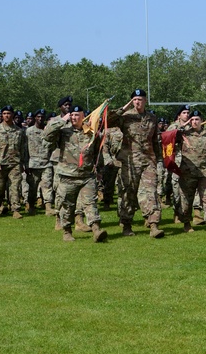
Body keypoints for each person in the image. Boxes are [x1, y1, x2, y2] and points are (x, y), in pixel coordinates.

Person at [44, 104, 107, 242]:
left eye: (77, 115)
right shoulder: (63, 131)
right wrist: (61, 120)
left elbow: (97, 153)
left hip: (87, 176)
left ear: (83, 116)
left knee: (91, 203)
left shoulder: (91, 132)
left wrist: (99, 171)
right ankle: (67, 231)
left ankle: (96, 230)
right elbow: (47, 135)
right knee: (67, 205)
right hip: (68, 176)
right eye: (72, 115)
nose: (73, 117)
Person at [110, 89, 165, 238]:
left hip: (148, 161)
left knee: (151, 192)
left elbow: (155, 141)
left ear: (145, 100)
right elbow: (108, 121)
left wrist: (159, 160)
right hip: (130, 162)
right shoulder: (126, 117)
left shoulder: (152, 118)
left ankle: (153, 225)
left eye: (140, 99)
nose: (137, 102)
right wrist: (124, 108)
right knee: (128, 194)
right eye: (134, 99)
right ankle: (127, 225)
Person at [176, 109, 206, 233]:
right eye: (192, 120)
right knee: (186, 199)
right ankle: (187, 223)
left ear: (201, 121)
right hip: (188, 172)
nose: (194, 122)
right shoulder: (184, 134)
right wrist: (182, 125)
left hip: (204, 171)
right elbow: (169, 134)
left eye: (197, 119)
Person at [0, 105, 29, 219]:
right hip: (1, 163)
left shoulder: (19, 131)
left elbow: (23, 149)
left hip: (15, 163)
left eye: (9, 113)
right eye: (4, 114)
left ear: (13, 115)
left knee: (15, 187)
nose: (6, 116)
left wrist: (24, 164)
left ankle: (15, 209)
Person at [24, 109, 53, 216]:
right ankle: (31, 206)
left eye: (42, 117)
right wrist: (26, 165)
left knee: (47, 185)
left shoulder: (47, 131)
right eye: (38, 117)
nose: (40, 119)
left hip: (46, 163)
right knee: (32, 187)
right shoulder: (28, 131)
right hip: (33, 164)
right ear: (35, 118)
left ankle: (48, 207)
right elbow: (25, 150)